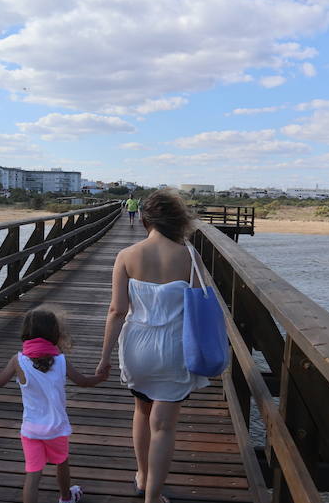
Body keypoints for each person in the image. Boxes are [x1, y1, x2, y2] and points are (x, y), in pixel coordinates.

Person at [95, 189, 209, 503]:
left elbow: (117, 311)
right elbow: (199, 309)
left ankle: (142, 476)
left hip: (137, 347)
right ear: (178, 221)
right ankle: (153, 497)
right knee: (164, 427)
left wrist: (105, 357)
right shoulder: (190, 257)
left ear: (144, 219)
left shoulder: (127, 256)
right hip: (175, 349)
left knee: (142, 411)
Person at [0, 307, 107, 503]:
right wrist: (101, 377)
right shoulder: (60, 361)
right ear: (53, 333)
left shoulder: (18, 361)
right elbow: (83, 381)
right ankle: (65, 497)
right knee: (62, 463)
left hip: (31, 430)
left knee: (33, 474)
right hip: (56, 428)